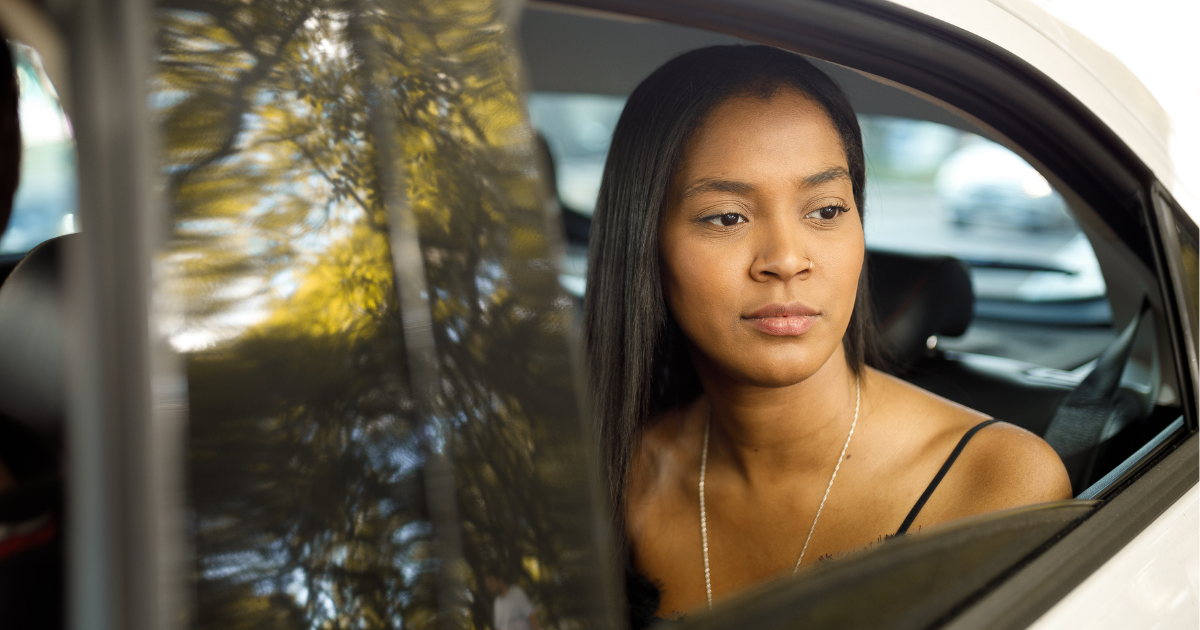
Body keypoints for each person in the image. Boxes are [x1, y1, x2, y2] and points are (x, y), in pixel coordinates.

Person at [581, 45, 1071, 624]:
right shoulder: (619, 470)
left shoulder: (996, 482)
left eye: (827, 210)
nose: (787, 259)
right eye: (727, 217)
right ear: (645, 244)